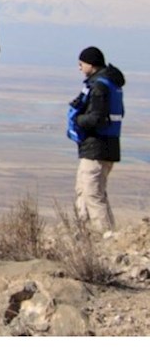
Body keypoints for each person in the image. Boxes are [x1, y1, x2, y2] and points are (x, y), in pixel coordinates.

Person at [66, 46, 125, 233]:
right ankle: (85, 233)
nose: (80, 68)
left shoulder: (99, 86)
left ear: (90, 64)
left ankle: (105, 236)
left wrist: (77, 120)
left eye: (81, 64)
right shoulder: (110, 84)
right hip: (102, 147)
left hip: (97, 148)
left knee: (93, 194)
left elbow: (96, 118)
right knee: (83, 190)